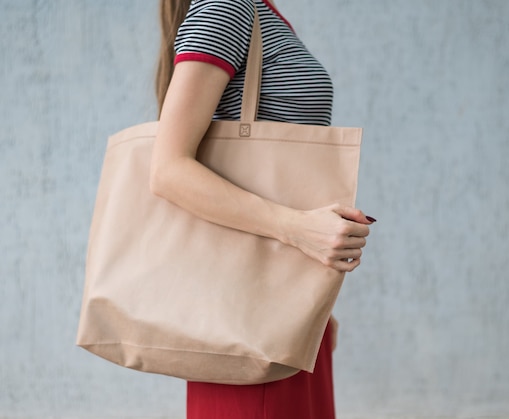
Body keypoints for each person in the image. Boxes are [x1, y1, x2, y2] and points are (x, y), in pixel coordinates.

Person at [151, 0, 375, 417]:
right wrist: (298, 230)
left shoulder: (258, 10)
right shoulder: (225, 8)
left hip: (285, 305)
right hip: (248, 316)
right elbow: (167, 170)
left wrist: (316, 300)